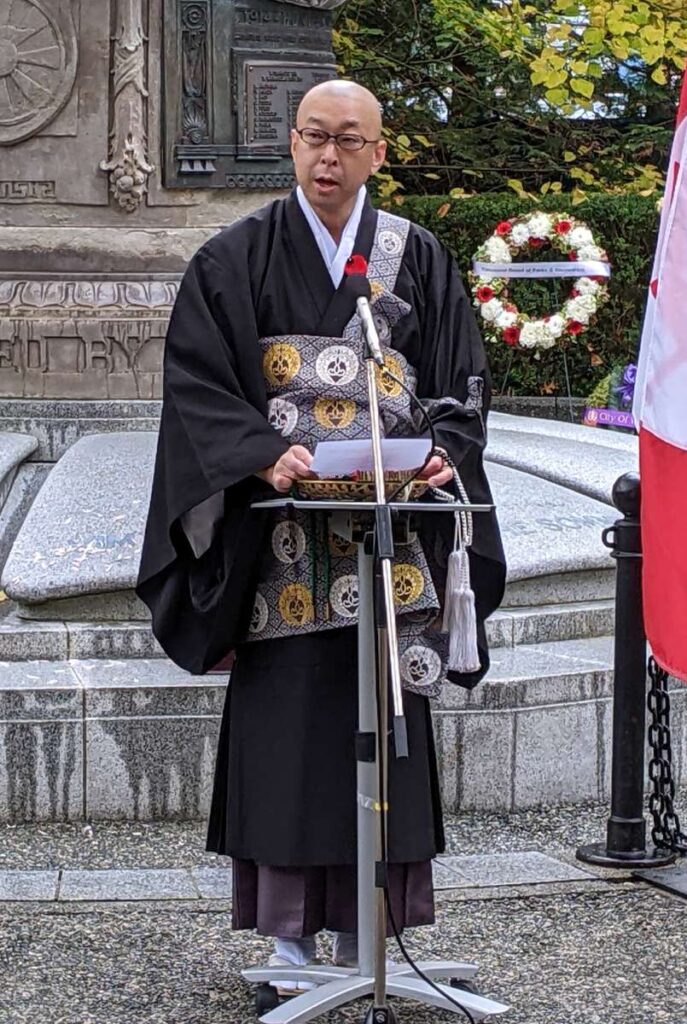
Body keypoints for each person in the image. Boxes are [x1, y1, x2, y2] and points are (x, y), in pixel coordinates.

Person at [136, 80, 505, 988]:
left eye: (349, 141)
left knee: (387, 713)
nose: (329, 158)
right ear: (291, 144)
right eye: (313, 138)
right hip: (285, 542)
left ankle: (375, 931)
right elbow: (197, 381)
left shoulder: (415, 256)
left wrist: (443, 454)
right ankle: (289, 935)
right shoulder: (234, 255)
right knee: (289, 725)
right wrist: (265, 452)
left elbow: (460, 376)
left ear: (379, 152)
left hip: (391, 534)